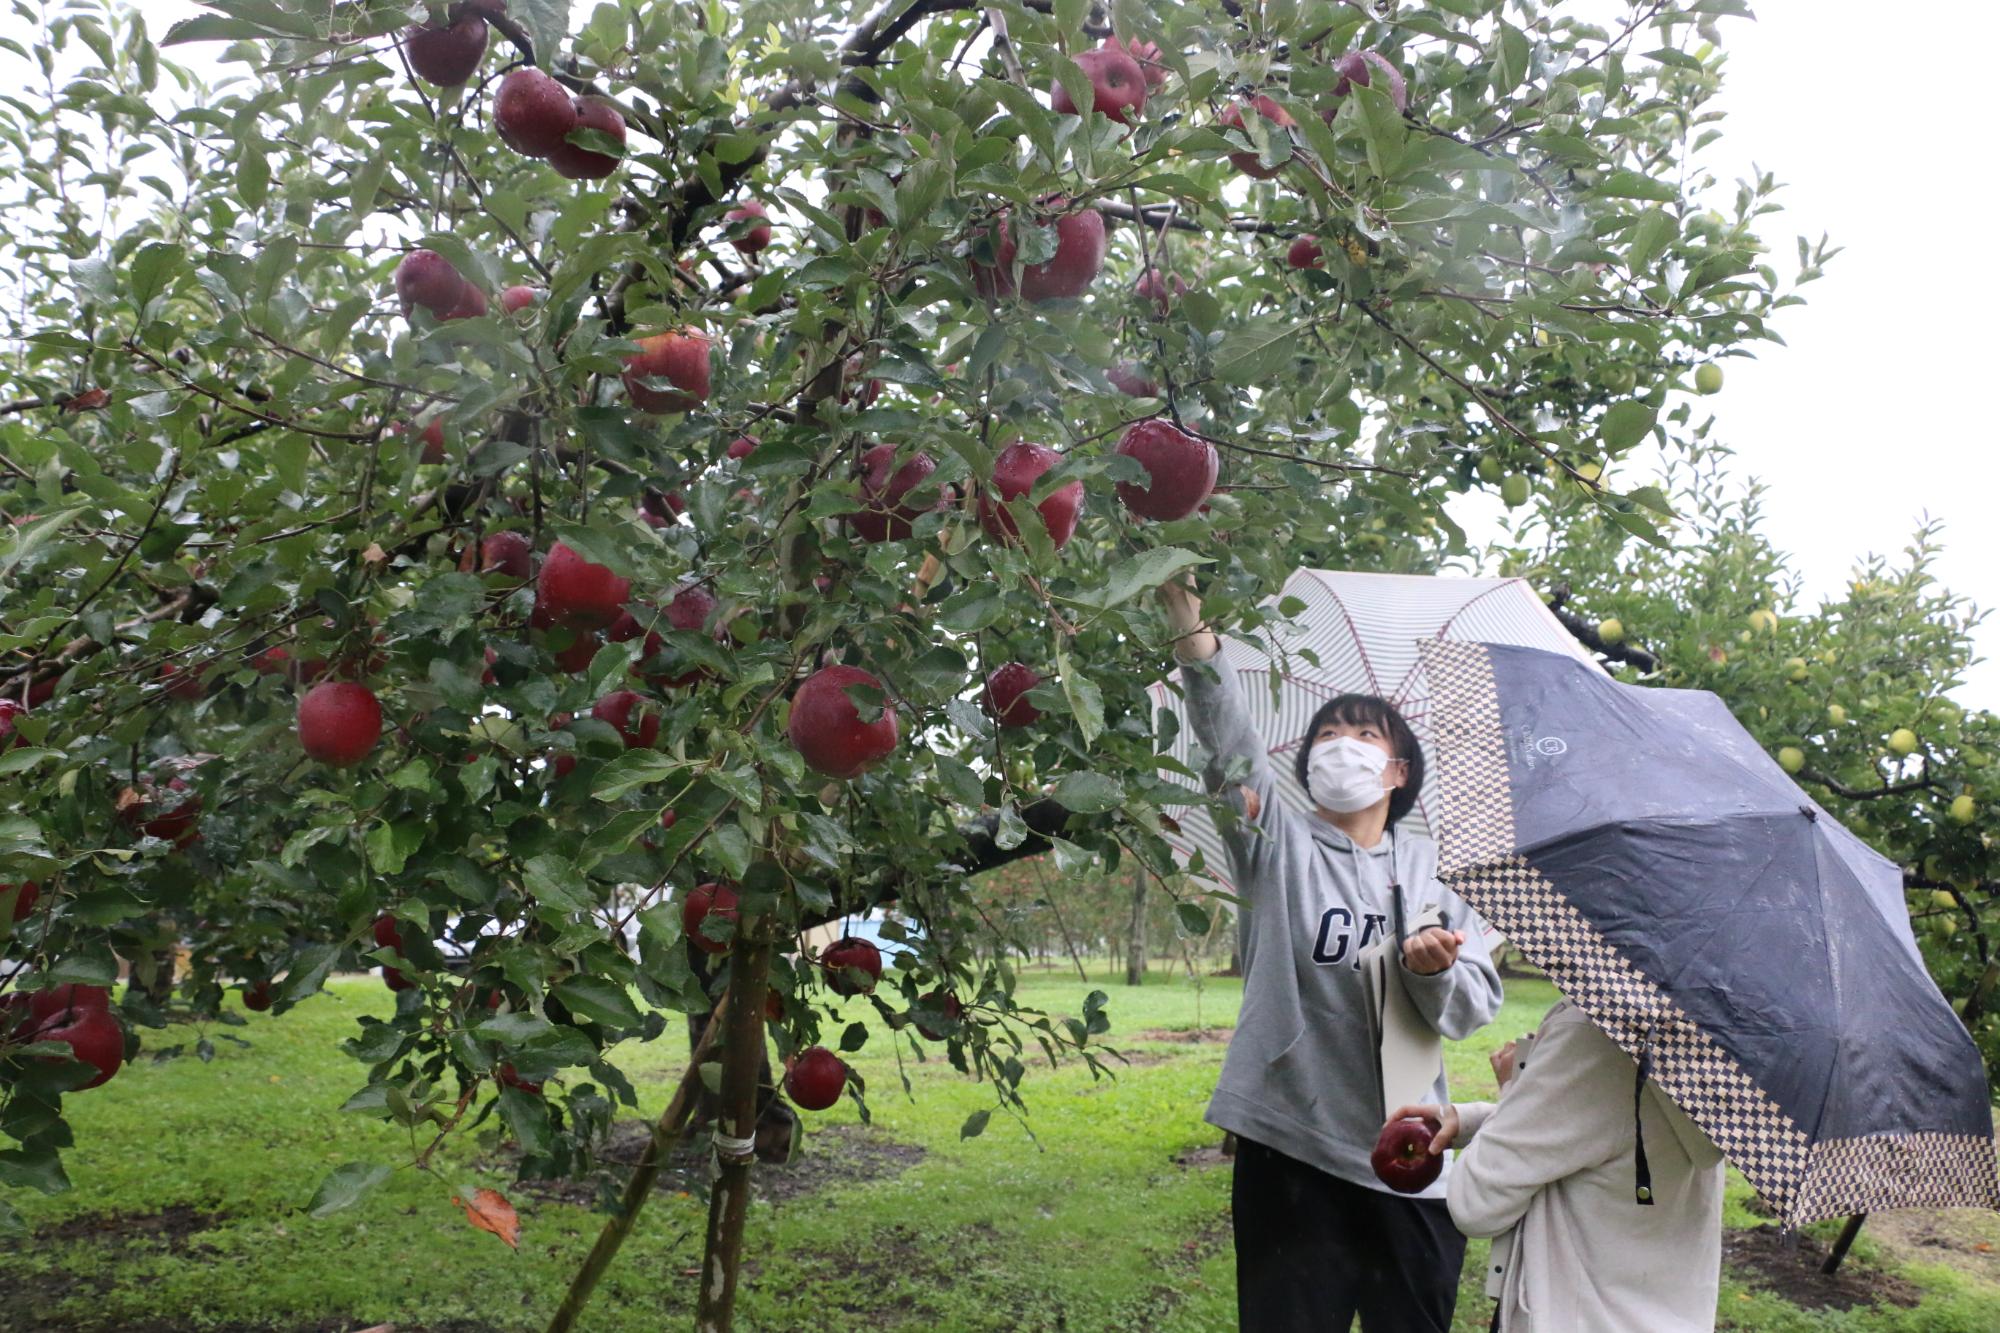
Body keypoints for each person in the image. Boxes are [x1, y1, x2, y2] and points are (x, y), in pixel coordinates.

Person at [1158, 576, 1504, 1333]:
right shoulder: (1274, 844)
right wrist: (1193, 633)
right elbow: (1230, 750)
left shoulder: (1442, 875)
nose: (1340, 745)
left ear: (1399, 770)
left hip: (1410, 1157)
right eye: (1326, 735)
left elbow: (1475, 1006)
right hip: (1293, 1151)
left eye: (1366, 735)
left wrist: (1435, 970)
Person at [1389, 999, 1726, 1332]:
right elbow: (1608, 1133)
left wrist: (1515, 1086)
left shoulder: (1597, 1031)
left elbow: (1475, 1204)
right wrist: (1475, 1119)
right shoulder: (1713, 1041)